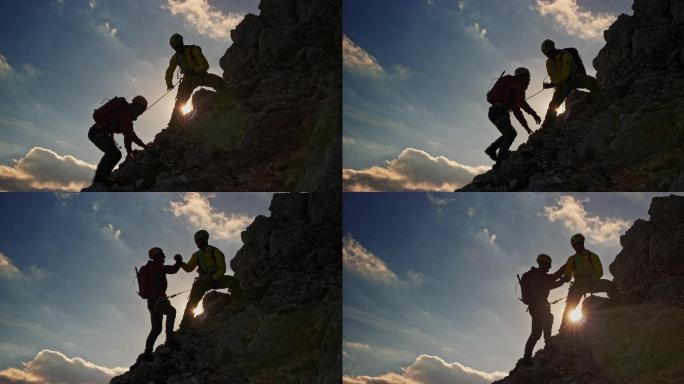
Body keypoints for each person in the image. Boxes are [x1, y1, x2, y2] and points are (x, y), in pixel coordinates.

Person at [179, 230, 242, 328]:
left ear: (205, 239)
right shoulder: (197, 255)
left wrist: (212, 278)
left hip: (215, 279)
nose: (197, 243)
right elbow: (189, 268)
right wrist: (180, 263)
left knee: (234, 281)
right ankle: (185, 325)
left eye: (198, 240)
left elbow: (222, 269)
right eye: (196, 241)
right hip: (203, 281)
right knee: (192, 302)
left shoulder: (215, 252)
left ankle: (239, 304)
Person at [559, 233, 621, 332]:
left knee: (611, 286)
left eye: (579, 243)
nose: (577, 246)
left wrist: (591, 280)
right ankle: (563, 330)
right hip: (578, 286)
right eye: (575, 245)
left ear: (583, 243)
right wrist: (564, 279)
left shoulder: (592, 256)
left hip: (592, 282)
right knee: (570, 307)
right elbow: (568, 275)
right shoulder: (572, 259)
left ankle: (618, 307)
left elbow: (599, 272)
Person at [165, 33, 229, 126]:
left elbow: (205, 65)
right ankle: (174, 124)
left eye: (178, 46)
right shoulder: (176, 57)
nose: (177, 49)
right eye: (175, 47)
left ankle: (228, 100)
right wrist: (169, 83)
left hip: (200, 76)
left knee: (218, 82)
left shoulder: (193, 50)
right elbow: (169, 71)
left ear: (182, 42)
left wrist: (194, 70)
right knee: (180, 101)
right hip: (188, 80)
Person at [484, 67, 542, 167]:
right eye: (528, 77)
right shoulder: (518, 84)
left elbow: (517, 111)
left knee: (510, 133)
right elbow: (521, 103)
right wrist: (534, 114)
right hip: (500, 112)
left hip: (494, 112)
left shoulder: (511, 89)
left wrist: (526, 127)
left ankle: (492, 149)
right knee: (510, 134)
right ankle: (500, 162)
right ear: (523, 77)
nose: (529, 80)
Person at [540, 39, 605, 128]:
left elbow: (565, 74)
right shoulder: (549, 62)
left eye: (549, 53)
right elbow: (554, 77)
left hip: (573, 78)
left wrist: (552, 84)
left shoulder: (565, 55)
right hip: (563, 84)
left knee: (591, 82)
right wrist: (554, 83)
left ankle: (601, 104)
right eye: (546, 54)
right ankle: (547, 125)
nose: (549, 56)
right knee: (554, 104)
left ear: (553, 48)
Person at [88, 96, 150, 186]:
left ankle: (101, 178)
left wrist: (143, 146)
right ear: (136, 106)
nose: (140, 113)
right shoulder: (125, 113)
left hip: (96, 132)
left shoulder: (126, 114)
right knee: (114, 153)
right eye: (140, 110)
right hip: (97, 132)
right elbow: (128, 135)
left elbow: (131, 135)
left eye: (142, 112)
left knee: (114, 154)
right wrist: (129, 151)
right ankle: (100, 179)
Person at [518, 254, 567, 367]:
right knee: (545, 322)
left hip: (535, 307)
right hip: (539, 307)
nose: (549, 268)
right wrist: (566, 267)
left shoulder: (535, 275)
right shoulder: (539, 276)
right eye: (548, 265)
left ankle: (527, 357)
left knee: (536, 332)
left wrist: (562, 280)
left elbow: (552, 282)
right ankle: (547, 344)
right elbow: (554, 279)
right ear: (543, 264)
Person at [138, 247, 183, 362]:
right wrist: (179, 261)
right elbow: (173, 269)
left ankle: (147, 354)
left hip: (151, 302)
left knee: (156, 329)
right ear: (157, 256)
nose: (164, 257)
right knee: (171, 312)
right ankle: (170, 339)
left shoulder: (148, 268)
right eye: (162, 255)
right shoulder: (157, 266)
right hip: (159, 300)